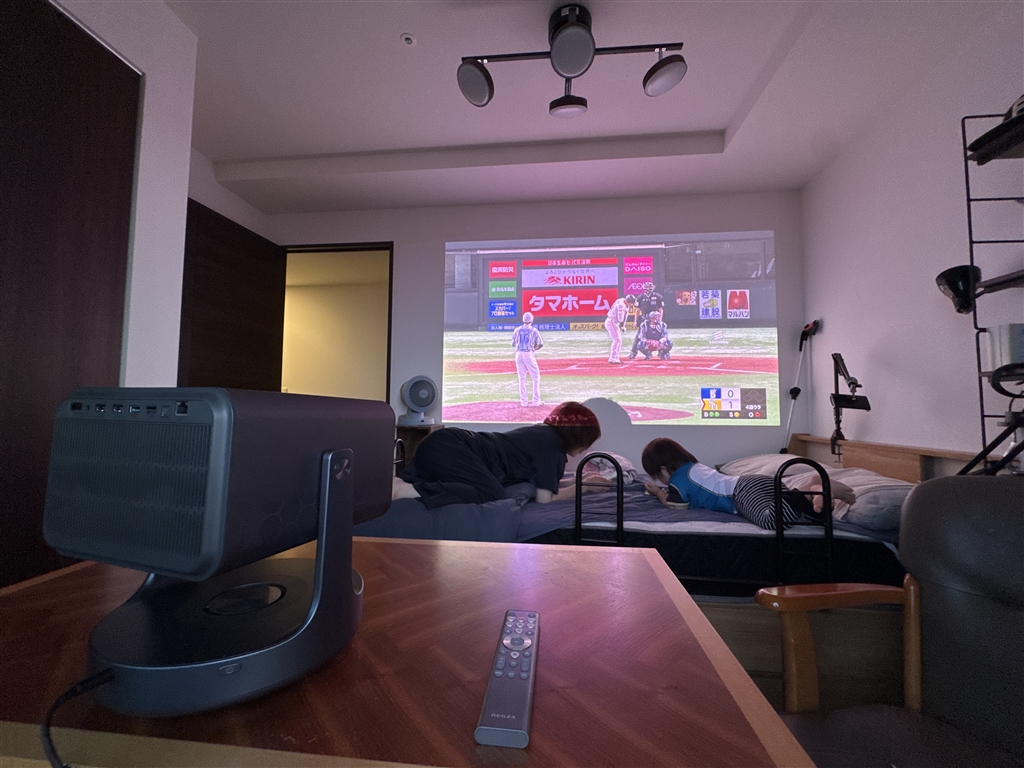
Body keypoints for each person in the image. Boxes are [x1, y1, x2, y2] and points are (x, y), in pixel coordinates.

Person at [392, 401, 603, 508]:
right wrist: (582, 488)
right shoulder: (552, 446)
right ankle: (408, 490)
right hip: (453, 447)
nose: (585, 450)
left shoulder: (543, 435)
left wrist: (583, 479)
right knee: (493, 494)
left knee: (481, 488)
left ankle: (399, 484)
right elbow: (545, 498)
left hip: (442, 444)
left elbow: (546, 484)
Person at [640, 438, 855, 530]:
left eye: (657, 476)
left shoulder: (677, 482)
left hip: (740, 493)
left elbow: (675, 506)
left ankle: (809, 488)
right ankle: (815, 486)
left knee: (773, 521)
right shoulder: (693, 467)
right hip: (754, 481)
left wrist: (658, 492)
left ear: (663, 470)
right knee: (802, 515)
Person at [511, 312, 544, 406]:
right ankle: (536, 401)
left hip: (518, 354)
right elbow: (540, 344)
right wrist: (534, 348)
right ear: (531, 320)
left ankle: (523, 401)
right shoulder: (534, 330)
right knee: (536, 377)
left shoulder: (517, 330)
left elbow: (513, 344)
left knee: (521, 378)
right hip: (528, 354)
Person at [604, 294, 637, 363]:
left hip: (612, 321)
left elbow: (625, 316)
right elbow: (621, 319)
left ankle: (615, 357)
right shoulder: (622, 306)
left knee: (618, 340)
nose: (631, 304)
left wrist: (623, 326)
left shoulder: (622, 300)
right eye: (631, 303)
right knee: (617, 340)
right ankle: (613, 358)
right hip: (612, 321)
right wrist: (622, 326)